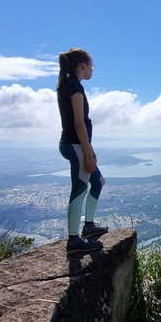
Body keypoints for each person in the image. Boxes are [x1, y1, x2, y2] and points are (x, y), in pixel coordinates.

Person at [57, 48, 108, 256]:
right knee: (79, 188)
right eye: (91, 66)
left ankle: (88, 225)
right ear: (82, 66)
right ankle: (74, 239)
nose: (92, 70)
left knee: (97, 181)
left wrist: (89, 150)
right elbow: (79, 124)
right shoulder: (75, 88)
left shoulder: (67, 86)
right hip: (76, 145)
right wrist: (87, 154)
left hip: (76, 144)